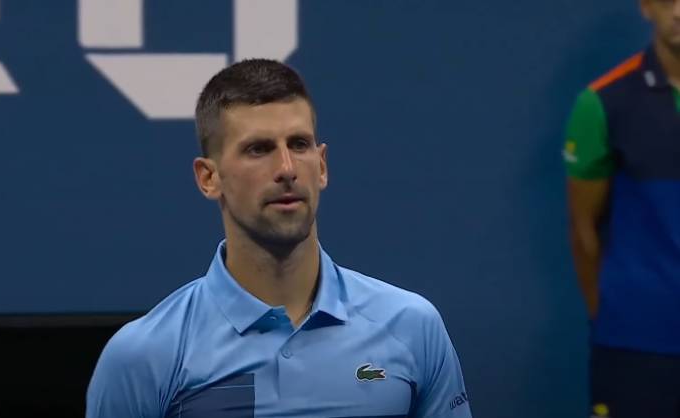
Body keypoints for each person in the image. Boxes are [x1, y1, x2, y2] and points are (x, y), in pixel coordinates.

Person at [85, 59, 472, 418]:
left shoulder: (412, 326)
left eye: (299, 145)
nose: (286, 168)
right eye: (259, 149)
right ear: (209, 178)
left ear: (322, 166)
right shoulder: (143, 356)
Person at [564, 1, 680, 417]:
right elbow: (583, 229)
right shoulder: (604, 102)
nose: (679, 11)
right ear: (646, 6)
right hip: (637, 347)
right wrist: (614, 316)